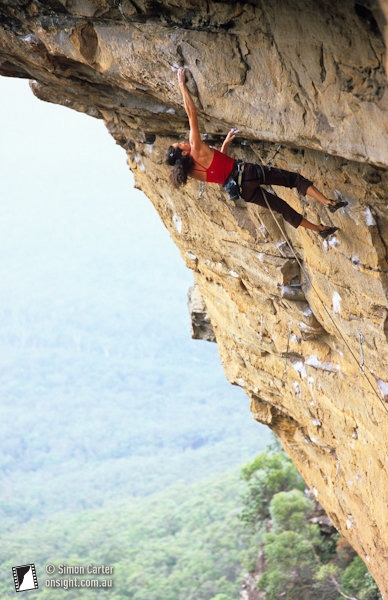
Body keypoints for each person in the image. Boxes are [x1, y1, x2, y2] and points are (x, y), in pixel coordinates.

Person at [166, 68, 345, 239]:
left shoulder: (192, 173)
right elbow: (191, 114)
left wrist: (226, 144)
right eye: (180, 145)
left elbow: (221, 172)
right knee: (293, 180)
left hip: (244, 191)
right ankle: (328, 202)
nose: (183, 142)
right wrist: (182, 84)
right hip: (247, 172)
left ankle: (319, 229)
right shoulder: (195, 147)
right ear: (182, 153)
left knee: (281, 208)